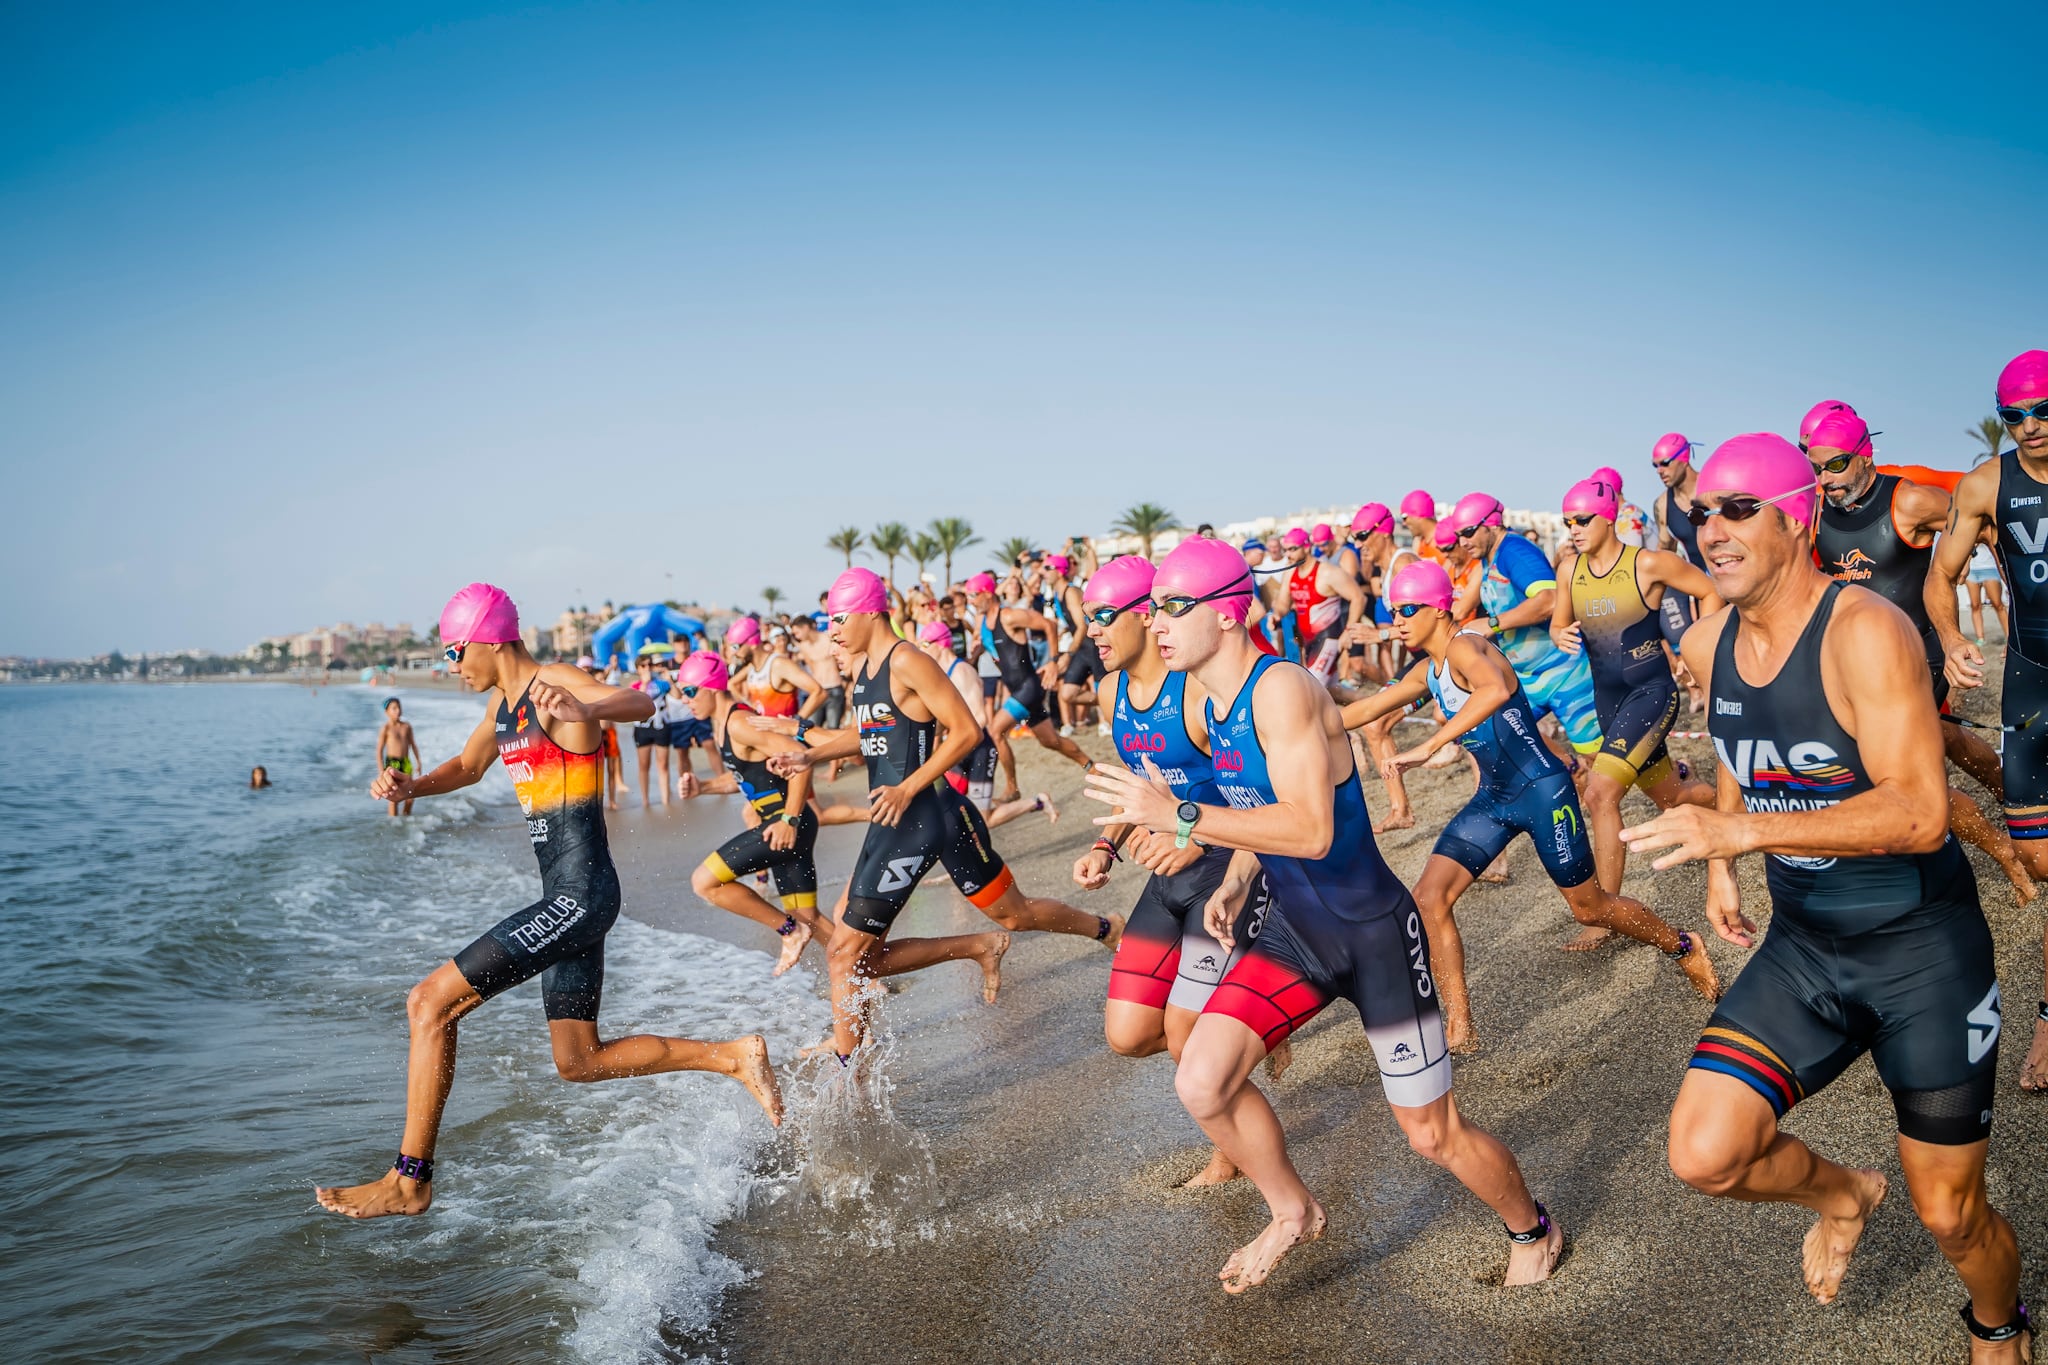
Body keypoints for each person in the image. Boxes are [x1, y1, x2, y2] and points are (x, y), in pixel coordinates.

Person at [1616, 437, 2028, 1359]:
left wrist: (1745, 835)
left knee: (1953, 1216)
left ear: (1797, 517)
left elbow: (1923, 812)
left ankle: (1999, 1326)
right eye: (1703, 512)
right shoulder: (1706, 638)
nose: (1711, 528)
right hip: (1804, 949)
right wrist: (1725, 855)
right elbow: (1736, 750)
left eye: (1738, 508)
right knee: (1705, 1152)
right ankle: (1845, 1194)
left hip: (1921, 953)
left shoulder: (1864, 631)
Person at [1084, 538, 1562, 1294]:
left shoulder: (1281, 690)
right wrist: (1237, 879)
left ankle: (1534, 1225)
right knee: (1201, 1081)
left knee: (1431, 1135)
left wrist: (1179, 814)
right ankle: (1291, 1209)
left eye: (1175, 607)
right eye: (1156, 609)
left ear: (1230, 612)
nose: (1159, 622)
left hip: (1372, 934)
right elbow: (1257, 809)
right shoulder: (1209, 700)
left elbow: (1310, 828)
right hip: (1293, 934)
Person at [317, 584, 782, 1220]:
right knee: (578, 1060)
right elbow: (469, 767)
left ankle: (409, 1179)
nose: (452, 665)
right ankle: (732, 1056)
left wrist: (579, 702)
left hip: (580, 896)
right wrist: (412, 786)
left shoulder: (550, 683)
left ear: (487, 638)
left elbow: (638, 701)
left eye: (455, 651)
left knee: (428, 1004)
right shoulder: (503, 709)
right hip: (570, 897)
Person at [1344, 560, 1718, 1050]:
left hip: (1543, 792)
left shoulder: (1469, 646)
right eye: (1394, 611)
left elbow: (1496, 690)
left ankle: (1683, 945)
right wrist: (1291, 718)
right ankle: (1460, 1025)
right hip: (1493, 800)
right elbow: (1364, 709)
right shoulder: (1427, 669)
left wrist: (1431, 745)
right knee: (1429, 899)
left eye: (1408, 609)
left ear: (1438, 609)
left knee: (1589, 910)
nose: (1398, 620)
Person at [773, 569, 1123, 1062]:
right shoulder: (865, 668)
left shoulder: (908, 660)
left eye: (838, 618)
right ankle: (1105, 928)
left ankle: (847, 1066)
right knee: (1012, 915)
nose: (832, 629)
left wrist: (908, 785)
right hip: (903, 819)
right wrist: (811, 756)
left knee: (845, 951)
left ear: (870, 613)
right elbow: (872, 735)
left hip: (920, 816)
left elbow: (966, 732)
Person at [1073, 554, 1281, 1188]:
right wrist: (1107, 847)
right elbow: (1142, 783)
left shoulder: (1194, 685)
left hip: (1226, 869)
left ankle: (1233, 1155)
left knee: (1183, 1032)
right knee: (1130, 1033)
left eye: (1105, 618)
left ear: (1144, 616)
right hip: (1167, 871)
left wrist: (1192, 835)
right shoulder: (1111, 691)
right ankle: (1244, 1033)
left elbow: (1254, 785)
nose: (1094, 633)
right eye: (1087, 620)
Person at [1805, 407, 2034, 906]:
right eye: (1814, 466)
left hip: (1917, 658)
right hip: (1855, 663)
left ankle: (2003, 847)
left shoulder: (1909, 502)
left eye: (1836, 464)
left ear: (1866, 453)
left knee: (1892, 770)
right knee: (1946, 738)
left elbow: (1988, 525)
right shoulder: (1816, 514)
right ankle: (2014, 794)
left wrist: (2016, 592)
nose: (1825, 478)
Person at [1931, 348, 2048, 1095]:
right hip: (2033, 683)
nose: (2030, 427)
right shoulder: (1986, 484)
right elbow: (1942, 578)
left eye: (2043, 412)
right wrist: (1948, 640)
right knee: (2039, 859)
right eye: (2015, 417)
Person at [1550, 477, 1720, 904]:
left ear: (1608, 519)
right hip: (1607, 701)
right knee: (1671, 797)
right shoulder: (1570, 569)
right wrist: (1559, 635)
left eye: (1582, 519)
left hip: (1652, 693)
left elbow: (1709, 589)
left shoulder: (1647, 564)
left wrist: (1696, 646)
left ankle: (1607, 909)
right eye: (1568, 520)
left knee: (1599, 792)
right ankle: (1731, 809)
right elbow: (1558, 621)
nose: (1573, 528)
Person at [917, 622, 1056, 829]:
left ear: (941, 644)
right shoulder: (945, 674)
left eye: (925, 644)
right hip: (961, 747)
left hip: (980, 749)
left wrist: (953, 736)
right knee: (946, 802)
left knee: (985, 818)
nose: (922, 650)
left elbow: (981, 717)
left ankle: (1037, 802)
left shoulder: (962, 672)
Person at [964, 570, 1098, 779]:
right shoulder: (982, 623)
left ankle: (1011, 787)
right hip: (1017, 688)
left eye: (972, 595)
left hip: (1028, 687)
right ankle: (1091, 766)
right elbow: (992, 649)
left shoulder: (1008, 616)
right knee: (1050, 740)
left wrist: (1053, 662)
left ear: (987, 593)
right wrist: (975, 653)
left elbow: (1049, 625)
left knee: (994, 731)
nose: (969, 601)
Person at [1281, 526, 1367, 684]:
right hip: (1307, 640)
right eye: (1285, 550)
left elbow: (1358, 597)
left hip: (1329, 637)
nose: (1287, 555)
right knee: (1333, 691)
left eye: (1292, 549)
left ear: (1306, 547)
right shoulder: (1290, 573)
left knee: (1312, 687)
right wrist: (1276, 615)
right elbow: (1282, 604)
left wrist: (1348, 630)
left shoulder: (1328, 572)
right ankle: (1377, 702)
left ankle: (1389, 690)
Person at [580, 656, 627, 810]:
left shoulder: (609, 693)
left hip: (610, 732)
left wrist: (611, 667)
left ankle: (612, 800)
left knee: (612, 769)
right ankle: (595, 802)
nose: (602, 683)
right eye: (599, 680)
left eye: (603, 680)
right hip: (596, 733)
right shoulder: (588, 695)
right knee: (594, 771)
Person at [628, 656, 673, 808]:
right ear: (638, 669)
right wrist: (645, 683)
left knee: (663, 764)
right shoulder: (634, 685)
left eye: (649, 665)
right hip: (642, 728)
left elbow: (678, 696)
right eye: (643, 665)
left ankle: (666, 800)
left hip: (661, 726)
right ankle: (645, 801)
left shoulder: (661, 684)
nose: (647, 668)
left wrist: (670, 680)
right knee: (643, 764)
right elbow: (634, 704)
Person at [789, 614, 848, 728]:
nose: (797, 636)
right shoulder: (803, 646)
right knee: (812, 727)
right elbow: (811, 667)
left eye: (797, 633)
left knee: (832, 728)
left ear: (805, 628)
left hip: (834, 687)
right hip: (818, 690)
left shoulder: (827, 639)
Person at [376, 697, 422, 816]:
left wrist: (419, 762)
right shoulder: (386, 728)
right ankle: (394, 823)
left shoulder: (406, 726)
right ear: (387, 712)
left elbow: (413, 745)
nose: (398, 711)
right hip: (392, 764)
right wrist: (381, 770)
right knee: (394, 797)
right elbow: (379, 751)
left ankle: (406, 817)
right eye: (394, 708)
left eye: (399, 707)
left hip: (406, 762)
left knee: (410, 795)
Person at [1966, 543, 2011, 645]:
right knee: (1975, 605)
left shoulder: (1989, 528)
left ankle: (2009, 636)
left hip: (1989, 567)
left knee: (1998, 604)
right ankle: (1980, 638)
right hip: (1971, 568)